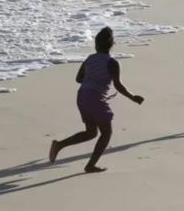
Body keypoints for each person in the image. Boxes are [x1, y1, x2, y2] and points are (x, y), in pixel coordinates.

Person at [49, 27, 144, 172]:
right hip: (95, 97)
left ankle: (59, 145)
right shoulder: (112, 63)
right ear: (112, 44)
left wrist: (93, 82)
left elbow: (79, 78)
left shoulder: (90, 59)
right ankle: (90, 165)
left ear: (96, 44)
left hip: (82, 95)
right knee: (106, 134)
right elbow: (118, 85)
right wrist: (133, 97)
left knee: (91, 133)